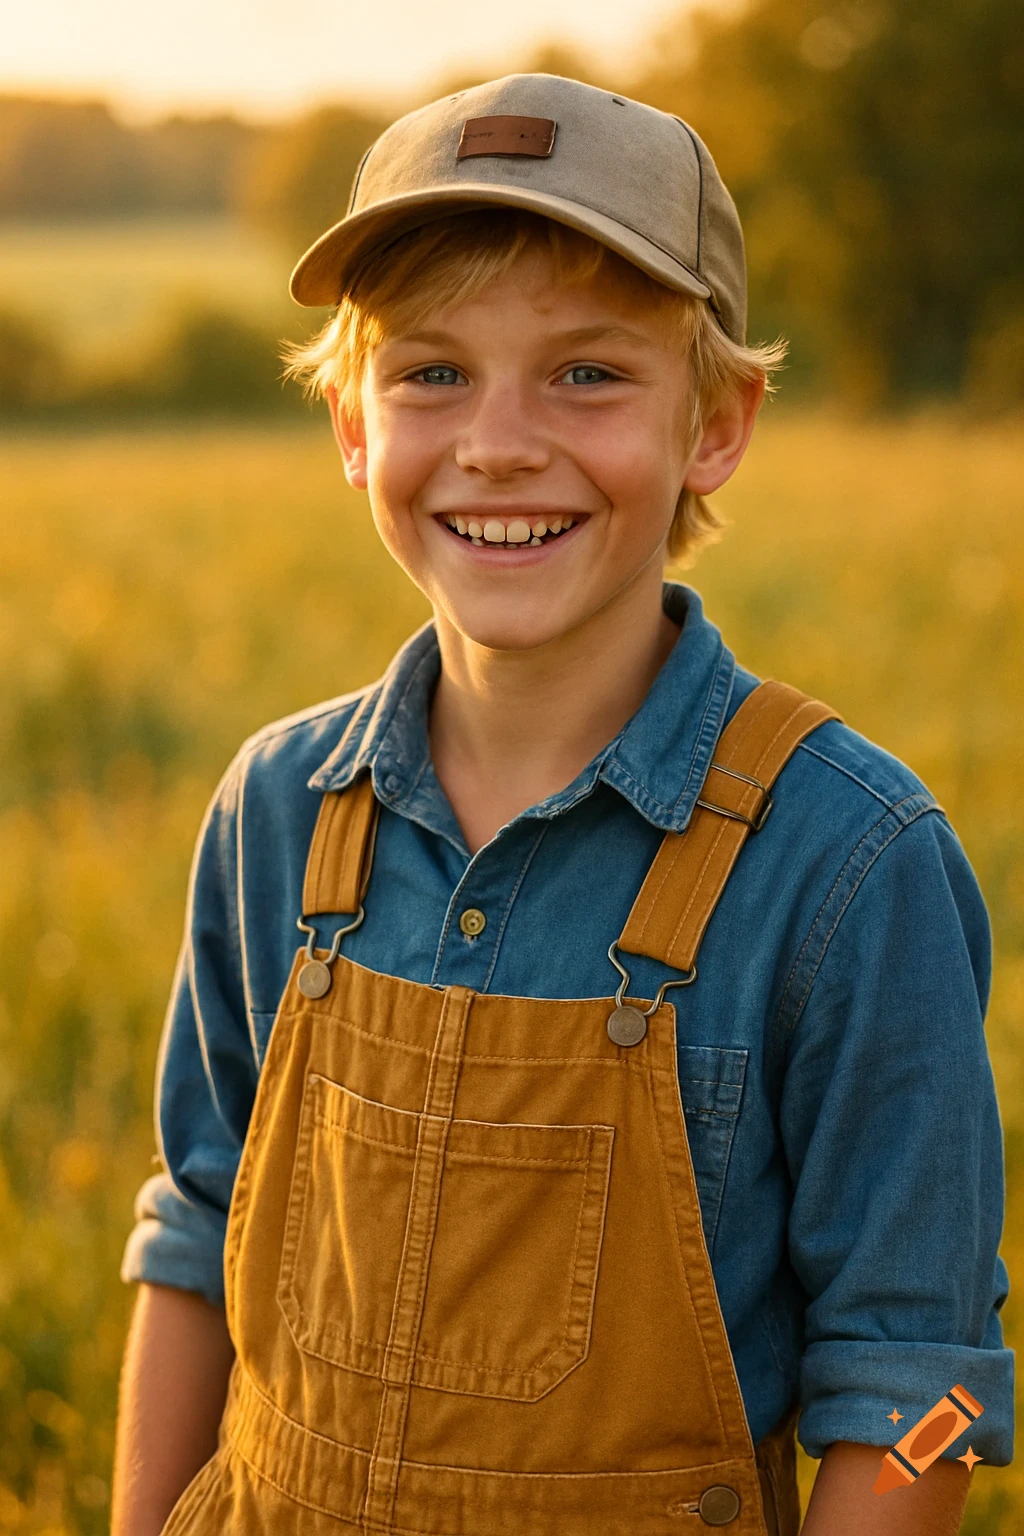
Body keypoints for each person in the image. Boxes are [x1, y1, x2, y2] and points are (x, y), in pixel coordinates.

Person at [111, 74, 1013, 1536]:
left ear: (717, 423)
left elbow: (932, 1392)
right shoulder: (277, 812)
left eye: (587, 374)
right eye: (431, 374)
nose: (501, 442)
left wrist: (919, 1440)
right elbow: (192, 1232)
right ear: (352, 423)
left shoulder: (853, 865)